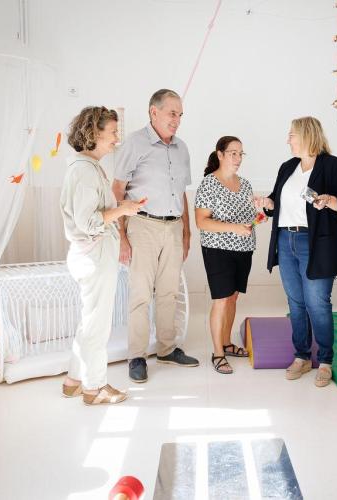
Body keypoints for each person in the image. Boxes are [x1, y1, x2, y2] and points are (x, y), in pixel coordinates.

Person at [255, 116, 337, 387]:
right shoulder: (288, 167)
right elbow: (277, 202)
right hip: (285, 239)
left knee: (317, 303)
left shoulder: (334, 166)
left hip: (315, 243)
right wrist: (268, 203)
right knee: (296, 303)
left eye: (291, 135)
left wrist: (331, 200)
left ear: (306, 135)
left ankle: (325, 360)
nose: (287, 140)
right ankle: (301, 356)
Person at [113, 89, 199, 384]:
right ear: (154, 112)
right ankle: (136, 356)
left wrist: (186, 232)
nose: (177, 120)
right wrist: (122, 236)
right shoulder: (134, 143)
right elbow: (117, 190)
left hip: (173, 228)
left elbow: (181, 192)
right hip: (143, 226)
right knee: (140, 294)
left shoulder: (182, 148)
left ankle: (166, 349)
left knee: (168, 292)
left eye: (180, 115)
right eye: (172, 113)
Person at [60, 106, 143, 405]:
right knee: (97, 325)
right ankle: (94, 388)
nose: (116, 139)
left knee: (90, 321)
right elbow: (88, 222)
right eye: (113, 133)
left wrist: (123, 208)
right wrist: (123, 209)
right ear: (94, 133)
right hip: (93, 256)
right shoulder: (84, 171)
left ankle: (74, 380)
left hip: (93, 254)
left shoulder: (88, 167)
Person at [194, 136, 257, 374]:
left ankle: (227, 343)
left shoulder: (246, 184)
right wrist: (234, 228)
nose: (238, 158)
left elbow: (249, 217)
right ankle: (217, 353)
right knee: (221, 299)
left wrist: (260, 214)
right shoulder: (209, 184)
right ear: (220, 155)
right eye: (233, 153)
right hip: (217, 249)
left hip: (243, 249)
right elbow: (202, 222)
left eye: (241, 154)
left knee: (232, 298)